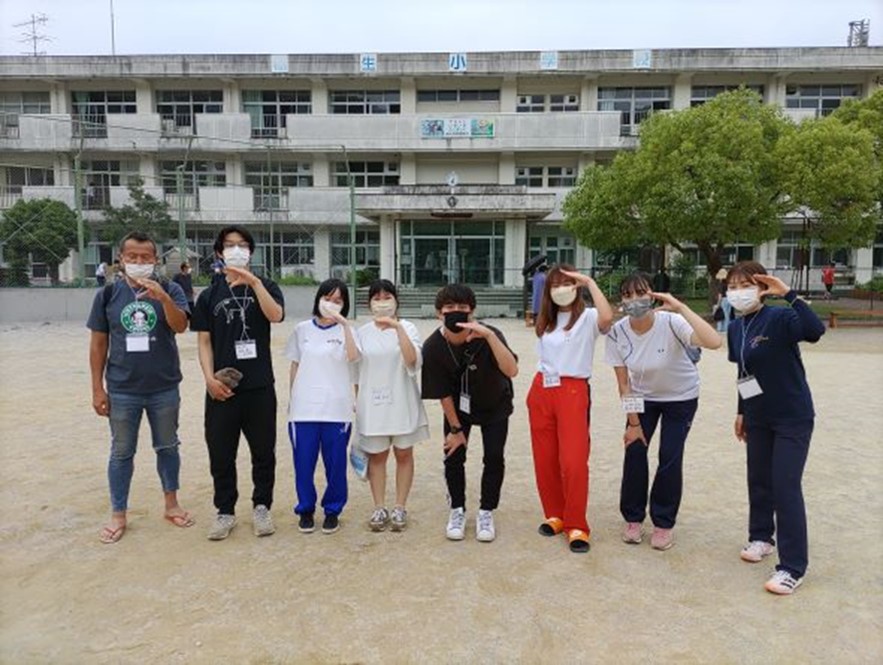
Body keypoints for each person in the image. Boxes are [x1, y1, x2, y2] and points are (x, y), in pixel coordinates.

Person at [726, 260, 825, 595]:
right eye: (732, 287)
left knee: (785, 486)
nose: (738, 292)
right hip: (758, 416)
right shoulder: (735, 327)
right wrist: (742, 411)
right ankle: (761, 537)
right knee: (759, 480)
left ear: (761, 287)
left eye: (745, 285)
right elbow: (744, 371)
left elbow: (815, 330)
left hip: (792, 416)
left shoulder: (780, 318)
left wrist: (788, 293)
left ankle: (792, 567)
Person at [87, 231, 192, 544]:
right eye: (132, 256)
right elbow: (98, 344)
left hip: (164, 386)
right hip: (122, 388)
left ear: (155, 260)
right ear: (121, 259)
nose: (138, 261)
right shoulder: (108, 294)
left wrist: (163, 298)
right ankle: (118, 513)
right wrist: (97, 388)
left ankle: (171, 504)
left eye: (145, 257)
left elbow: (180, 326)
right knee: (121, 452)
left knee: (168, 446)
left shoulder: (171, 288)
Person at [605, 273, 722, 551]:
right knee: (635, 450)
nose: (634, 300)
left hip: (680, 397)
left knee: (670, 456)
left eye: (641, 293)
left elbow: (714, 341)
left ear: (653, 295)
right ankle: (633, 518)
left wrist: (680, 307)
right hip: (641, 398)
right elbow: (624, 384)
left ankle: (663, 522)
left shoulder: (671, 322)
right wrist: (633, 424)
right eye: (627, 295)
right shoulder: (617, 332)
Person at [191, 226, 285, 541]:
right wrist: (208, 379)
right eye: (229, 245)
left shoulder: (266, 286)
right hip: (222, 388)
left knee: (263, 452)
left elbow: (275, 315)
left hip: (259, 386)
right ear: (219, 252)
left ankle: (262, 506)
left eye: (242, 245)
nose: (236, 250)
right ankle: (225, 511)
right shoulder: (209, 295)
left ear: (251, 252)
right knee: (221, 453)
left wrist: (254, 282)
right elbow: (204, 342)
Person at [421, 284, 519, 543]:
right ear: (439, 313)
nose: (456, 311)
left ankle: (487, 510)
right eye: (449, 307)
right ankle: (457, 509)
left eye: (462, 307)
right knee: (453, 455)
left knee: (494, 457)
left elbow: (511, 370)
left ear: (472, 312)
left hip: (495, 403)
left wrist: (490, 337)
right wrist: (455, 429)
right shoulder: (433, 347)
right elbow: (442, 392)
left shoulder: (489, 334)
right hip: (458, 408)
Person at [526, 265, 613, 553]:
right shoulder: (547, 320)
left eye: (568, 283)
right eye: (556, 285)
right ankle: (555, 514)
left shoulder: (587, 317)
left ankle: (577, 524)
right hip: (542, 389)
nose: (561, 289)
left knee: (573, 461)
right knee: (545, 458)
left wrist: (589, 282)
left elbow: (607, 318)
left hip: (573, 391)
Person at [287, 278, 360, 535]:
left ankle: (333, 510)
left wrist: (344, 324)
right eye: (327, 298)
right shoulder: (302, 329)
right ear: (318, 298)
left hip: (336, 409)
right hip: (304, 410)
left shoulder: (348, 331)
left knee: (335, 464)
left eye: (338, 300)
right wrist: (292, 398)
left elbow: (354, 357)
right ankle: (305, 509)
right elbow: (295, 364)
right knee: (303, 463)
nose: (331, 303)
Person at [355, 280, 429, 532]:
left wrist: (397, 328)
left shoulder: (408, 327)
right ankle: (379, 506)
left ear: (397, 301)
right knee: (377, 456)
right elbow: (356, 371)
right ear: (369, 304)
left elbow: (412, 360)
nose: (382, 302)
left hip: (402, 400)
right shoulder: (362, 332)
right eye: (376, 298)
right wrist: (357, 402)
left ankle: (400, 506)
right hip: (372, 404)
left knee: (404, 454)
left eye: (387, 297)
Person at [715, 267, 732, 333]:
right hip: (729, 299)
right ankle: (727, 328)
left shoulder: (721, 284)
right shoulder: (728, 284)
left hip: (724, 300)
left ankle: (722, 328)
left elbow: (720, 295)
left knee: (724, 314)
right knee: (728, 314)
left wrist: (718, 304)